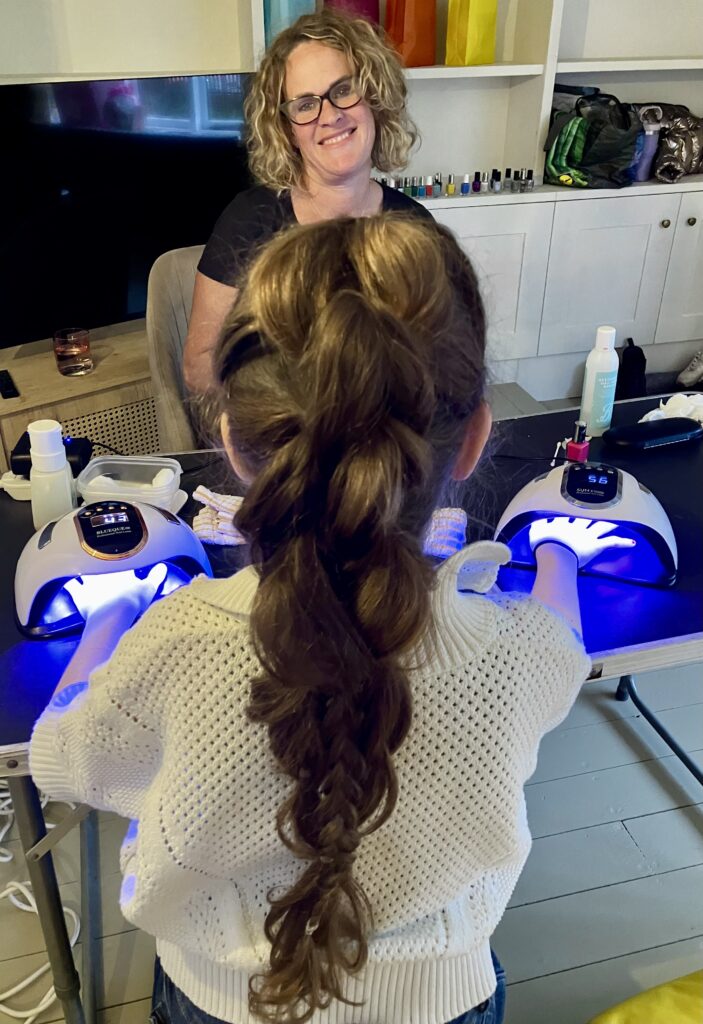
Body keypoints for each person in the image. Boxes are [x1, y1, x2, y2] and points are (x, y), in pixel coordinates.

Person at [30, 214, 633, 1024]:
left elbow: (65, 761)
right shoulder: (517, 650)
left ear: (234, 448)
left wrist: (108, 623)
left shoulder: (175, 642)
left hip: (223, 1002)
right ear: (473, 440)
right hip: (440, 1003)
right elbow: (562, 638)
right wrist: (555, 556)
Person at [183, 7, 431, 395]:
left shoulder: (415, 225)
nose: (328, 115)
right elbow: (199, 368)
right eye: (304, 104)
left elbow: (438, 355)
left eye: (343, 90)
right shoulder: (249, 222)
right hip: (286, 439)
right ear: (286, 130)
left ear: (375, 97)